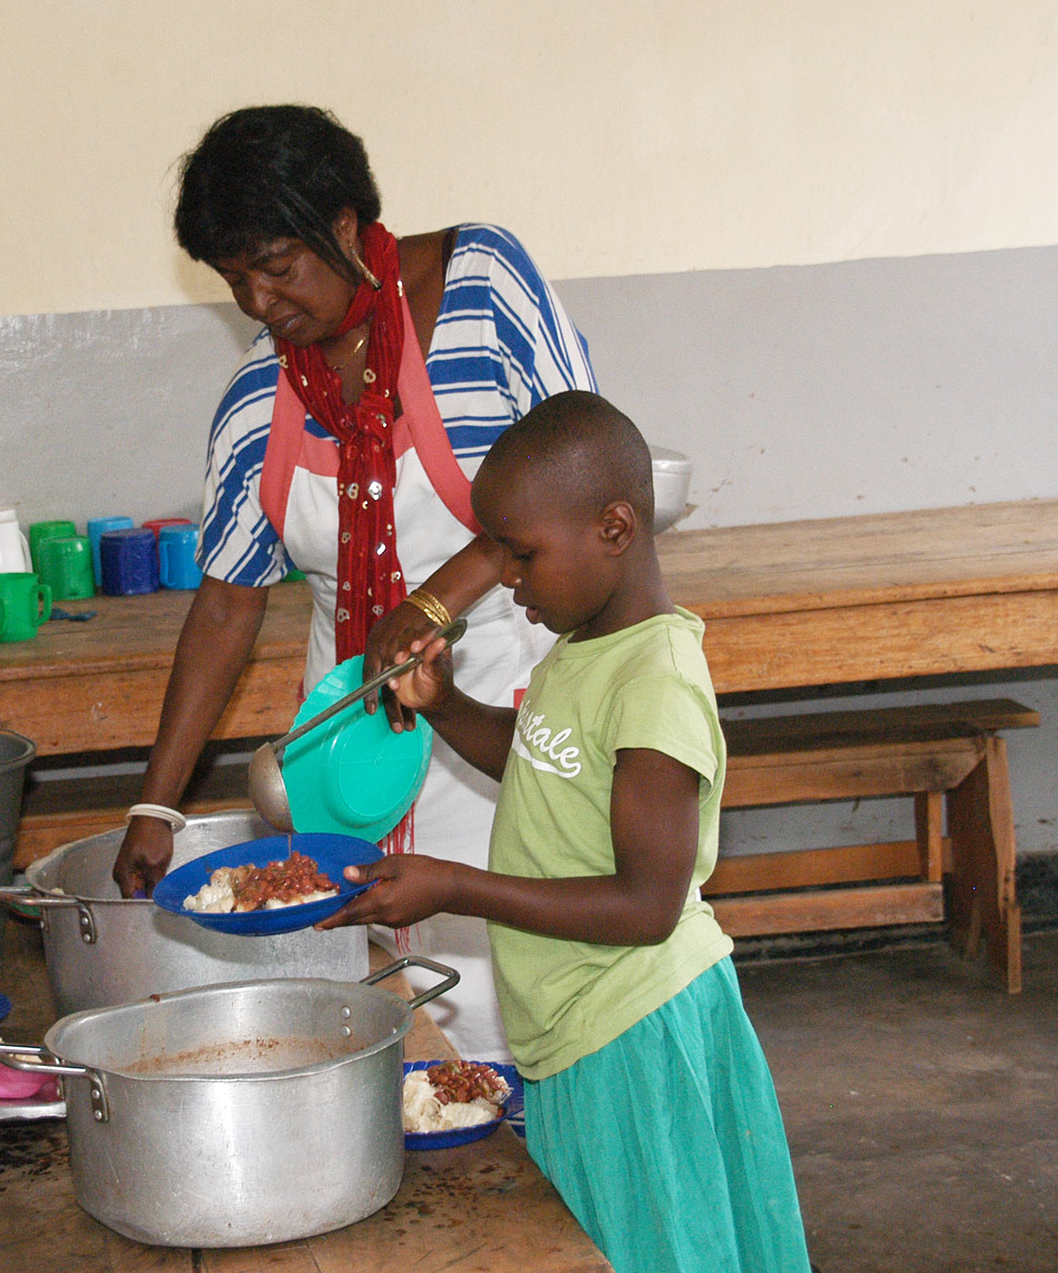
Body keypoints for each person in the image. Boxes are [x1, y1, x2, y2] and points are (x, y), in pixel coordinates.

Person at [111, 105, 598, 1062]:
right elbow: (226, 600)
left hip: (509, 710)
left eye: (276, 267)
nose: (257, 302)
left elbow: (585, 465)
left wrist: (435, 598)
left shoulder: (483, 287)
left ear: (344, 229)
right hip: (349, 752)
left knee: (528, 997)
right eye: (234, 279)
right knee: (389, 1018)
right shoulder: (258, 401)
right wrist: (155, 805)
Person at [320, 392, 812, 1273]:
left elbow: (646, 904)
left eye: (522, 553)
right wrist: (447, 708)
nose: (504, 576)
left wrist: (457, 885)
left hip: (638, 1026)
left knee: (658, 1250)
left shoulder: (654, 680)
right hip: (574, 1025)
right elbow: (544, 762)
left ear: (615, 529)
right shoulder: (587, 643)